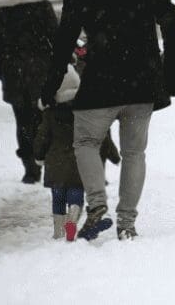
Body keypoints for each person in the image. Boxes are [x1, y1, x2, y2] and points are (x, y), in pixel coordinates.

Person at [40, 0, 175, 241]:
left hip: (101, 83)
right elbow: (170, 21)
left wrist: (51, 84)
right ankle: (127, 224)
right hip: (144, 81)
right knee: (135, 153)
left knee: (86, 143)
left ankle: (96, 203)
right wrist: (172, 71)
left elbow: (65, 38)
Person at [0, 0, 58, 183]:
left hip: (13, 73)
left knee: (22, 120)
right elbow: (54, 38)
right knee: (42, 119)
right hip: (41, 72)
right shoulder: (41, 5)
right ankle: (42, 160)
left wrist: (2, 71)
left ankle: (29, 168)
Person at [34, 64, 120, 241]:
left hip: (55, 163)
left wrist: (39, 156)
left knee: (57, 198)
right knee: (75, 193)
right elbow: (102, 135)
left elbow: (42, 137)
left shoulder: (50, 114)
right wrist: (113, 155)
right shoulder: (86, 112)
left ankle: (59, 231)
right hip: (80, 163)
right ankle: (73, 215)